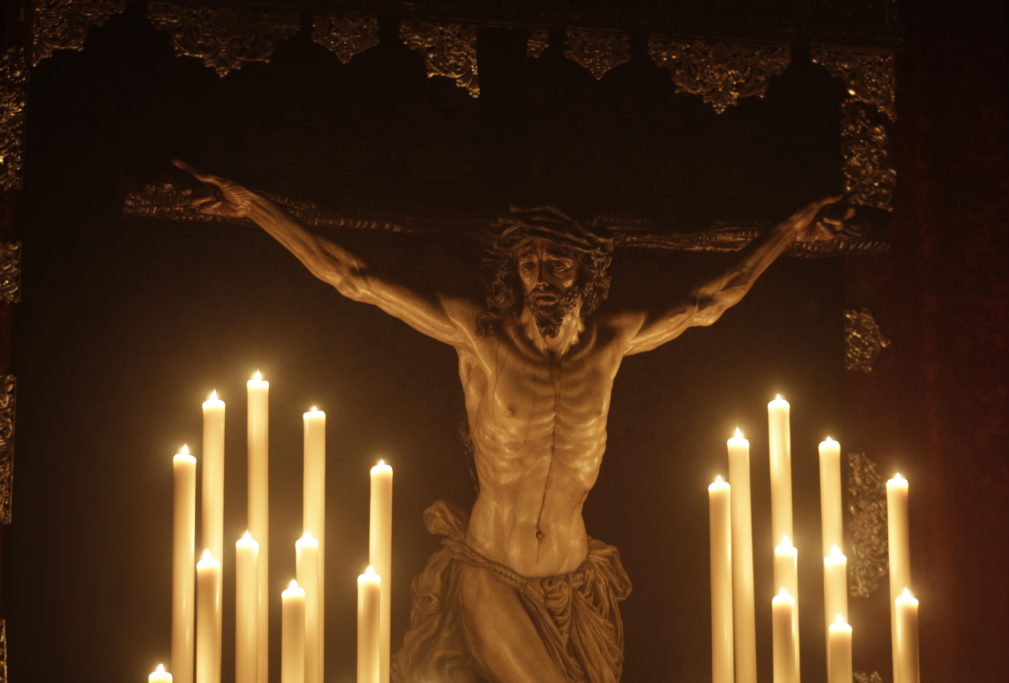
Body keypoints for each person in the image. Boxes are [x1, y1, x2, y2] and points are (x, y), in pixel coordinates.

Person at [174, 160, 848, 683]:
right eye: (529, 263)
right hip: (493, 570)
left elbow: (712, 299)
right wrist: (253, 206)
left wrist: (790, 231)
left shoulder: (612, 340)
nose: (542, 275)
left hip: (577, 584)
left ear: (585, 269)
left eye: (557, 261)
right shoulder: (481, 337)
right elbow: (355, 277)